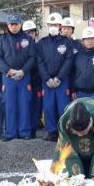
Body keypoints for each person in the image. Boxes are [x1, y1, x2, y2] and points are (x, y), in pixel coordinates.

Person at [0, 14, 36, 141]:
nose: (14, 26)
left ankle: (24, 132)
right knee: (9, 105)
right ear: (8, 25)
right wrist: (9, 71)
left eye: (16, 24)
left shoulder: (28, 39)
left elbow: (32, 57)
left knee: (24, 104)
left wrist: (23, 71)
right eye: (11, 24)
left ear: (20, 24)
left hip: (24, 76)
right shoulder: (1, 40)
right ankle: (10, 133)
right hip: (8, 77)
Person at [36, 12, 74, 142]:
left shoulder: (67, 42)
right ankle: (51, 132)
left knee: (63, 107)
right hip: (47, 81)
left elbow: (69, 60)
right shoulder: (41, 43)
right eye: (51, 24)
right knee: (48, 107)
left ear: (60, 26)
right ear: (47, 25)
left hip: (62, 81)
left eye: (56, 24)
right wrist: (47, 78)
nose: (53, 26)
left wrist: (59, 77)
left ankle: (64, 132)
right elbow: (39, 62)